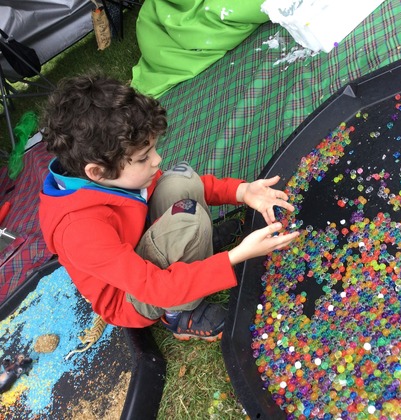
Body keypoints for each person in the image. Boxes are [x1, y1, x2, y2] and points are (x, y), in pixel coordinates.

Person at [38, 74, 299, 341]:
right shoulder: (78, 231)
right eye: (144, 157)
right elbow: (154, 287)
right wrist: (236, 257)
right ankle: (178, 314)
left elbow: (180, 186)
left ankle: (195, 244)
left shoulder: (107, 176)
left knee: (180, 181)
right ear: (97, 171)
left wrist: (242, 191)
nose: (157, 159)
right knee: (190, 220)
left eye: (153, 149)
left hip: (140, 244)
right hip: (133, 297)